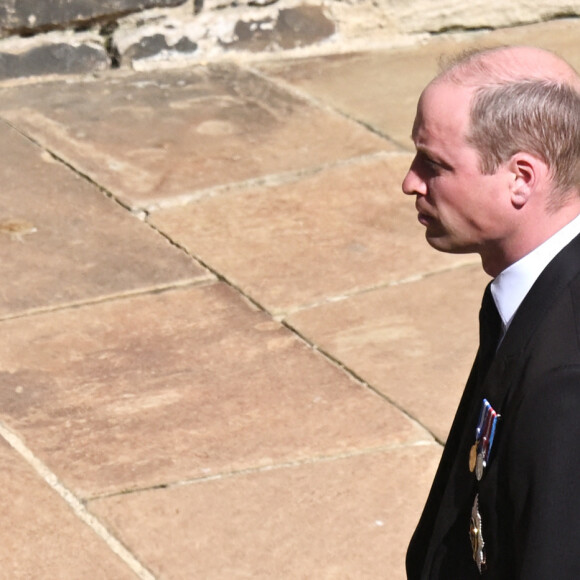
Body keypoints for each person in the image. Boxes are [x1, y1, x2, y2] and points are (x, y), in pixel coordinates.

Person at [402, 45, 580, 578]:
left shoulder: (565, 380)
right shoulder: (535, 291)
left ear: (521, 178)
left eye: (434, 165)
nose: (410, 182)